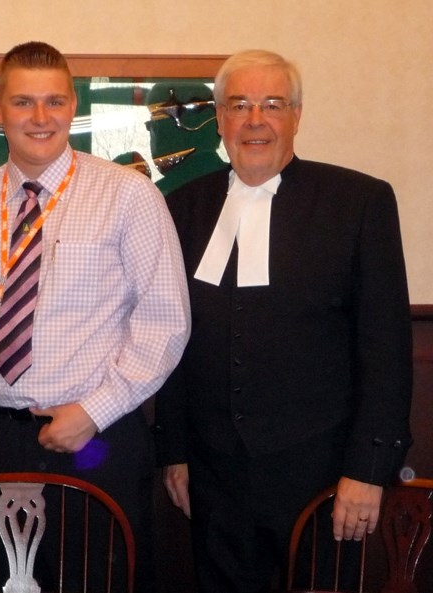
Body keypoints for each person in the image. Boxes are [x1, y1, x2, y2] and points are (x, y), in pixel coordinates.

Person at [0, 41, 190, 592]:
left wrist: (94, 412)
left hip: (99, 442)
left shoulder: (129, 196)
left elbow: (164, 322)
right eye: (23, 102)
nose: (40, 118)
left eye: (53, 101)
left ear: (73, 105)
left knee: (98, 578)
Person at [153, 49, 413, 592]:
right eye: (239, 105)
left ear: (297, 114)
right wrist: (174, 451)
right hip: (214, 476)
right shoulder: (181, 208)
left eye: (272, 104)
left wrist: (368, 470)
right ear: (219, 118)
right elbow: (173, 339)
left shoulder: (358, 202)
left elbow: (386, 350)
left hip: (321, 478)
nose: (255, 120)